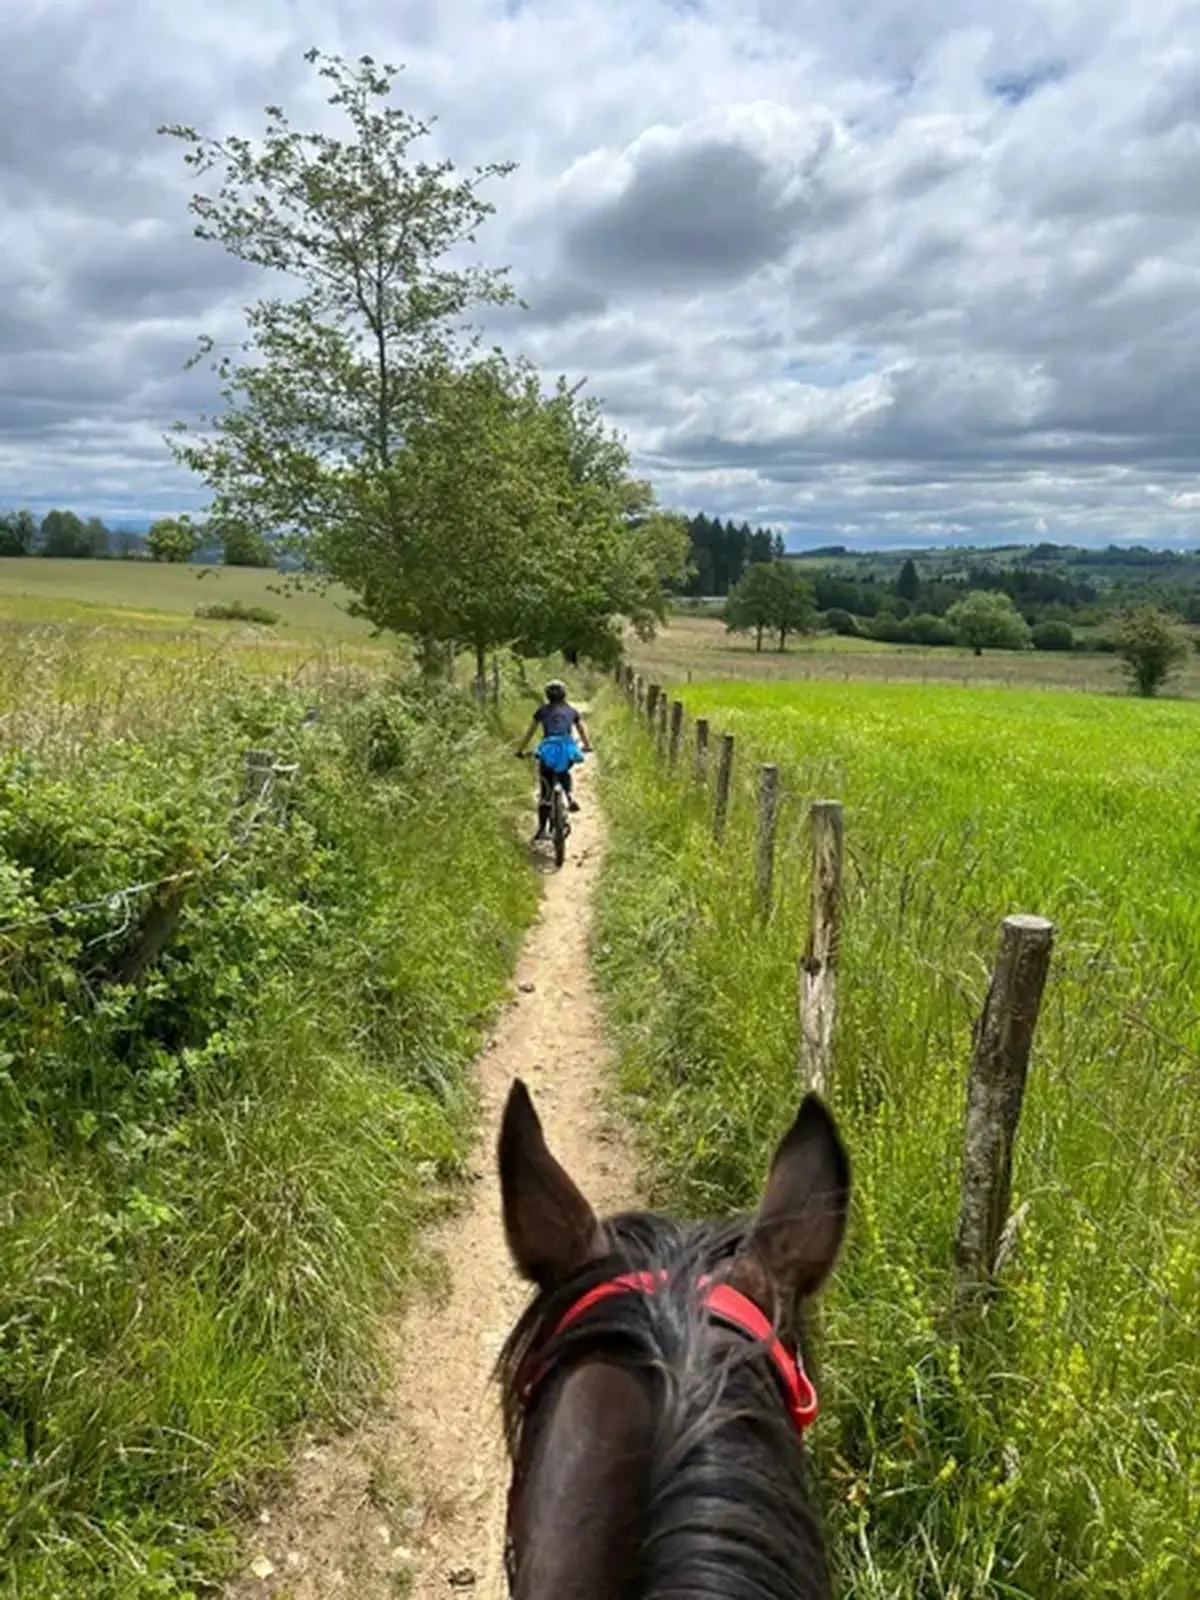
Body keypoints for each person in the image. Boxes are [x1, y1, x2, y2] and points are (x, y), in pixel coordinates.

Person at [514, 681, 593, 840]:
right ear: (564, 694)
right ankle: (569, 796)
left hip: (549, 750)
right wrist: (587, 746)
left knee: (546, 787)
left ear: (547, 695)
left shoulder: (542, 711)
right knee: (564, 771)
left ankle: (542, 829)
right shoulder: (572, 711)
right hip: (566, 749)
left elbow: (529, 733)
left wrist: (520, 750)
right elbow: (581, 731)